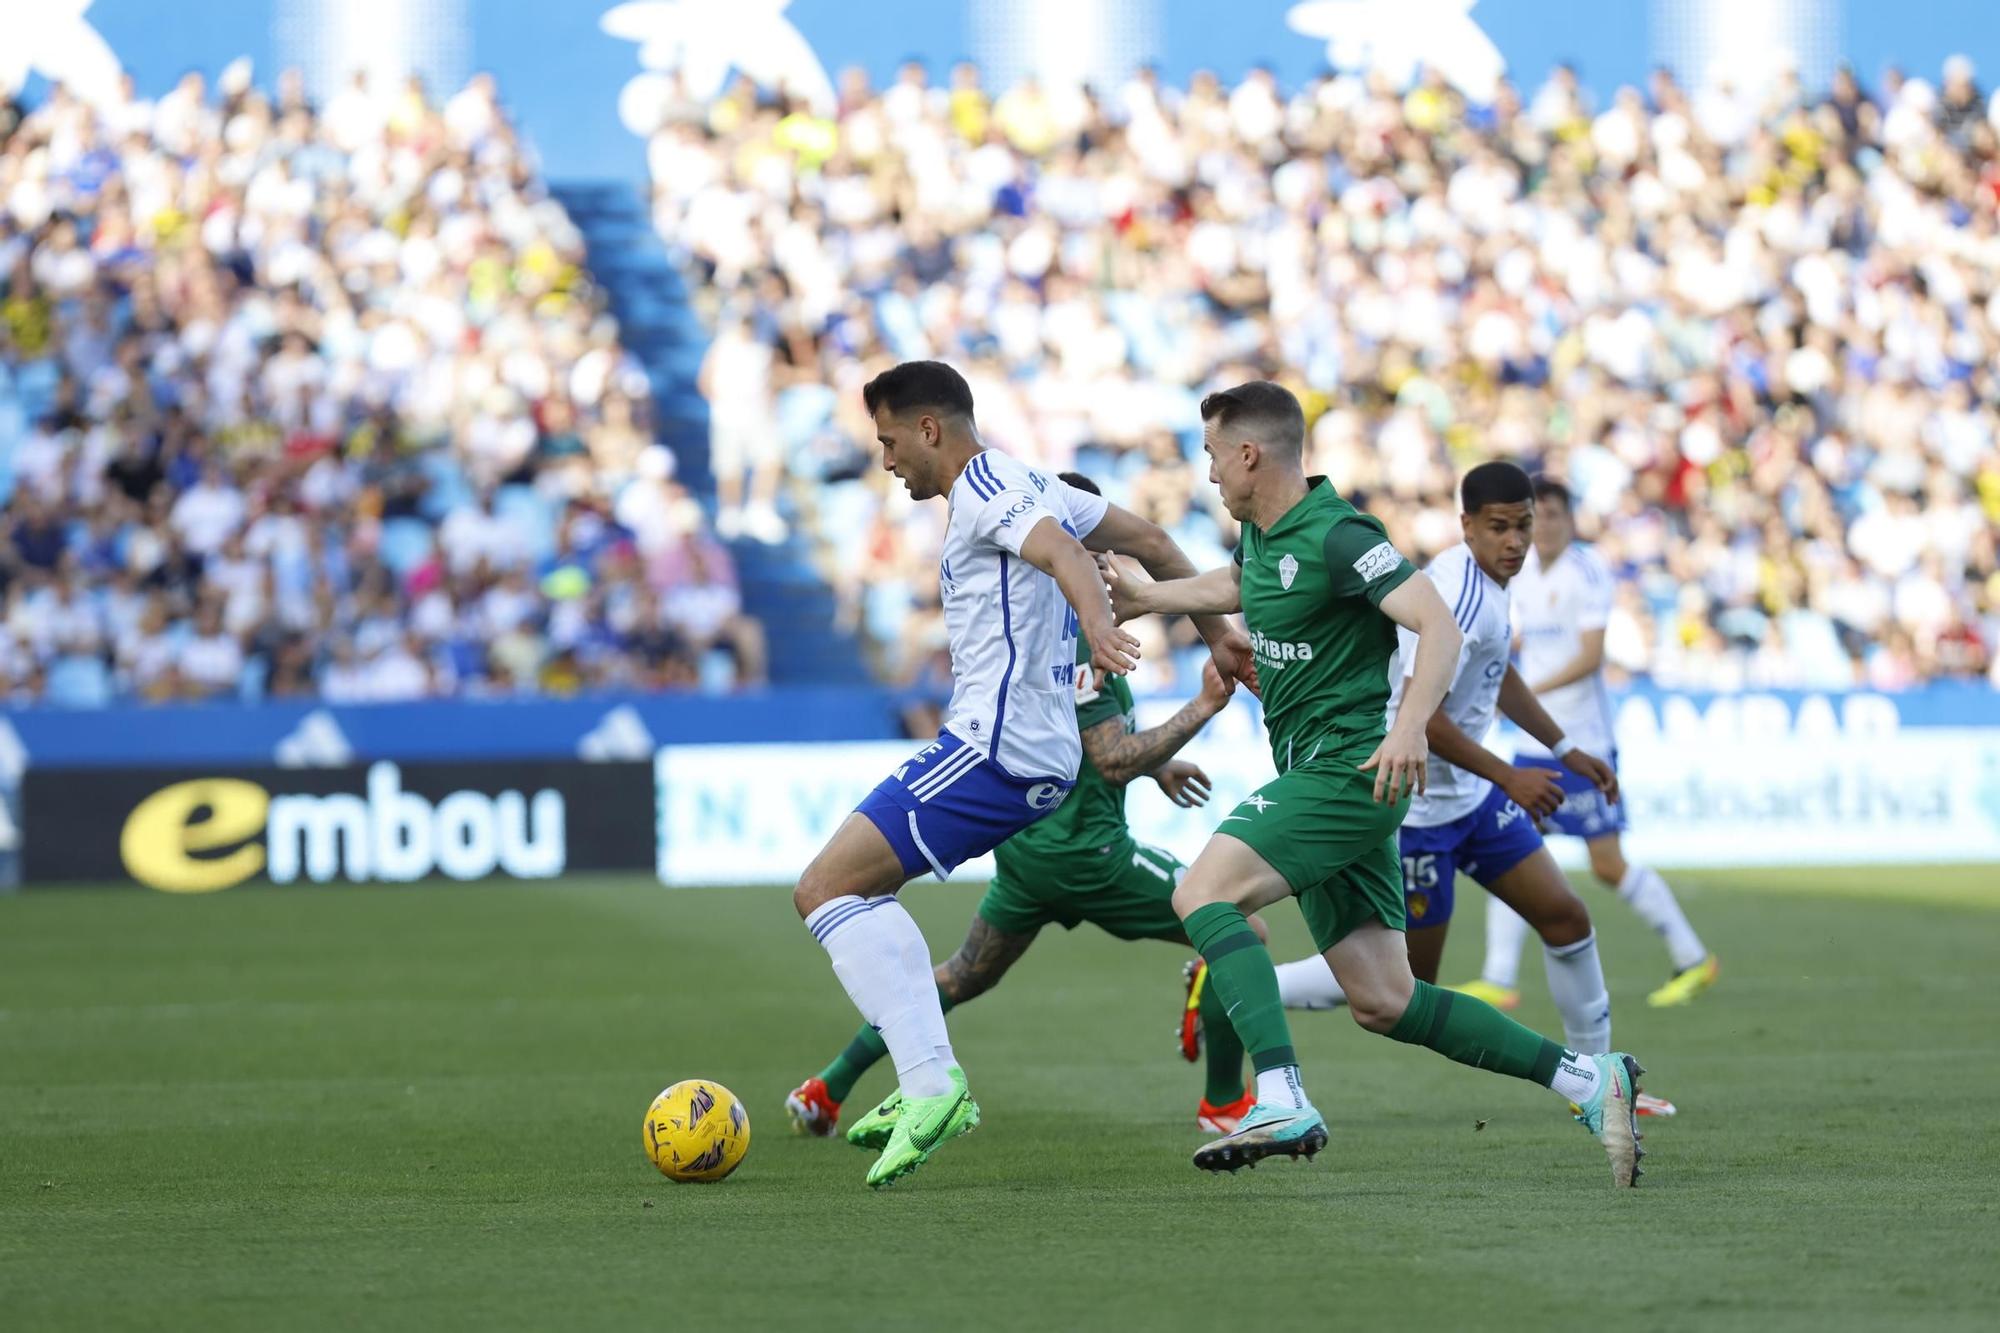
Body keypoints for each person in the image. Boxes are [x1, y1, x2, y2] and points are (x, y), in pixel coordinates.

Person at [1107, 382, 1647, 1187]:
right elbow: (1240, 584)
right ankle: (1588, 1078)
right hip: (1324, 773)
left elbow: (1435, 624)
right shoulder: (1265, 537)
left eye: (1215, 454)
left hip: (1348, 769)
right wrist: (1152, 596)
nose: (1210, 471)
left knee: (1202, 894)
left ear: (1250, 453)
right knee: (1385, 997)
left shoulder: (1339, 532)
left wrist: (1405, 728)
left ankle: (1280, 1092)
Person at [791, 362, 1253, 1189]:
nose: (887, 461)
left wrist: (1096, 625)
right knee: (862, 894)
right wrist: (1219, 635)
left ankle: (930, 1082)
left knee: (824, 889)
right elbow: (1146, 539)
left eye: (890, 441)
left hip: (995, 750)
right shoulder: (1033, 478)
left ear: (930, 428)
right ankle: (925, 1078)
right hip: (1025, 756)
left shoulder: (987, 486)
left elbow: (1069, 556)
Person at [1258, 463, 1677, 1117]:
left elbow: (1496, 670)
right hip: (1419, 809)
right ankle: (1247, 982)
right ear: (1467, 527)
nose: (1515, 541)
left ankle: (1600, 1085)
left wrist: (1565, 747)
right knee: (1404, 985)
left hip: (1473, 801)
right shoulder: (1452, 594)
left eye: (1524, 526)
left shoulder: (1494, 582)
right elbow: (1419, 714)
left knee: (1566, 916)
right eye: (1499, 528)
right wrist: (1509, 774)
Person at [1462, 477, 1719, 1012]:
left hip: (1584, 744)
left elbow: (1590, 656)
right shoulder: (1521, 573)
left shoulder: (1588, 571)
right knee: (1509, 849)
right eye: (1540, 516)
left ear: (1569, 520)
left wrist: (1526, 690)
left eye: (1553, 515)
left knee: (1607, 865)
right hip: (1538, 745)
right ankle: (1498, 977)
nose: (1546, 526)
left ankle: (1692, 956)